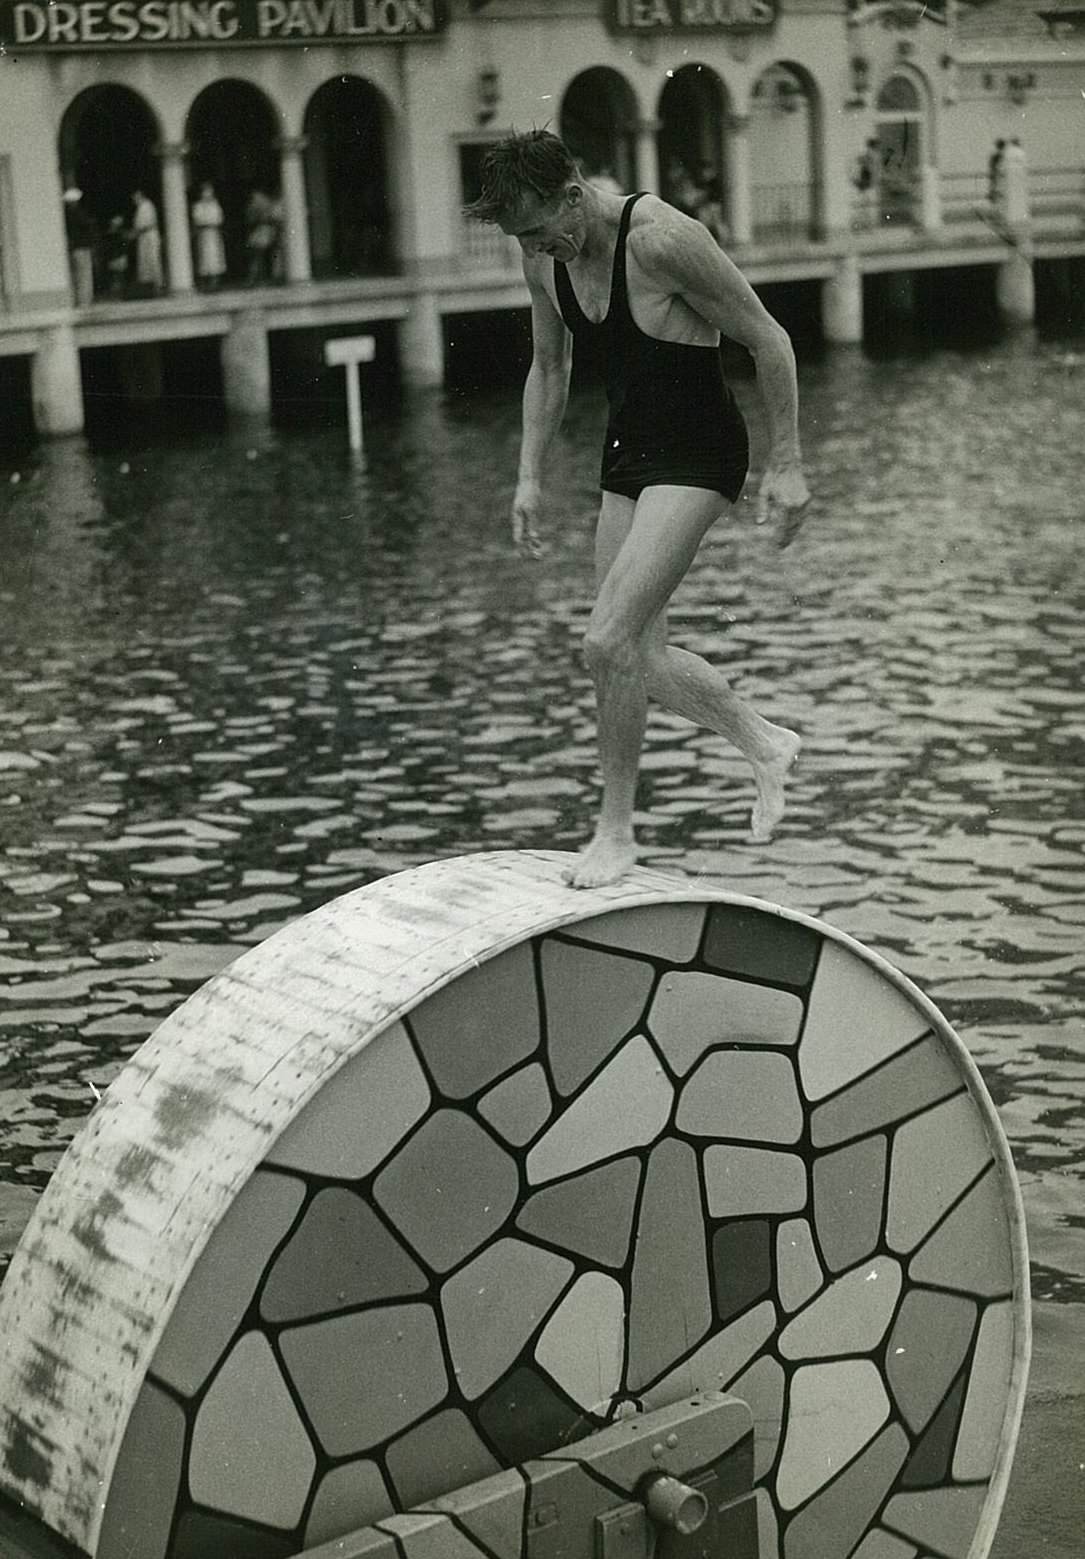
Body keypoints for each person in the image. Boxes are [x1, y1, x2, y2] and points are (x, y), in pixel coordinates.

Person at [466, 130, 809, 889]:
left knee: (605, 638)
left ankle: (615, 834)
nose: (533, 246)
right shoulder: (542, 255)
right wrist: (527, 476)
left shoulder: (664, 240)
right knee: (633, 657)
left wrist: (786, 464)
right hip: (627, 453)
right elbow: (549, 366)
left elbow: (769, 339)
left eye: (537, 228)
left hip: (699, 450)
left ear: (572, 192)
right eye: (520, 236)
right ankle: (762, 740)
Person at [62, 185, 97, 306]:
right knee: (84, 275)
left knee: (77, 275)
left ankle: (79, 300)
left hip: (74, 248)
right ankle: (84, 301)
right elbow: (88, 227)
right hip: (82, 247)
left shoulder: (66, 215)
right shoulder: (78, 214)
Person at [191, 182, 226, 290]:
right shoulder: (198, 206)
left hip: (213, 233)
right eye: (205, 192)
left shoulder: (215, 205)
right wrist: (206, 221)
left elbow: (219, 218)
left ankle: (215, 281)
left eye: (209, 192)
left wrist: (211, 221)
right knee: (204, 257)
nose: (208, 194)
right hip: (203, 234)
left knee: (215, 257)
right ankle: (205, 281)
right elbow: (198, 219)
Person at [131, 190, 163, 295]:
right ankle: (148, 287)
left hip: (149, 235)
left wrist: (135, 233)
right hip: (143, 237)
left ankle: (157, 287)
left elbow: (146, 223)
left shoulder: (147, 206)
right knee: (145, 263)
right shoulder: (140, 207)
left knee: (152, 260)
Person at [245, 188, 278, 284]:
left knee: (262, 256)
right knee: (257, 256)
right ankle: (256, 277)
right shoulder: (254, 206)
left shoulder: (266, 204)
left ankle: (262, 277)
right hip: (258, 232)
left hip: (264, 232)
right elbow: (250, 219)